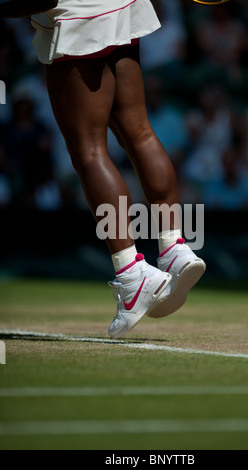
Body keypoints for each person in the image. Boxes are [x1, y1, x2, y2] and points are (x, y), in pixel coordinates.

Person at [0, 0, 206, 338]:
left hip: (80, 12)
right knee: (138, 131)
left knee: (88, 150)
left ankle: (131, 274)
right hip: (120, 2)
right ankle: (173, 247)